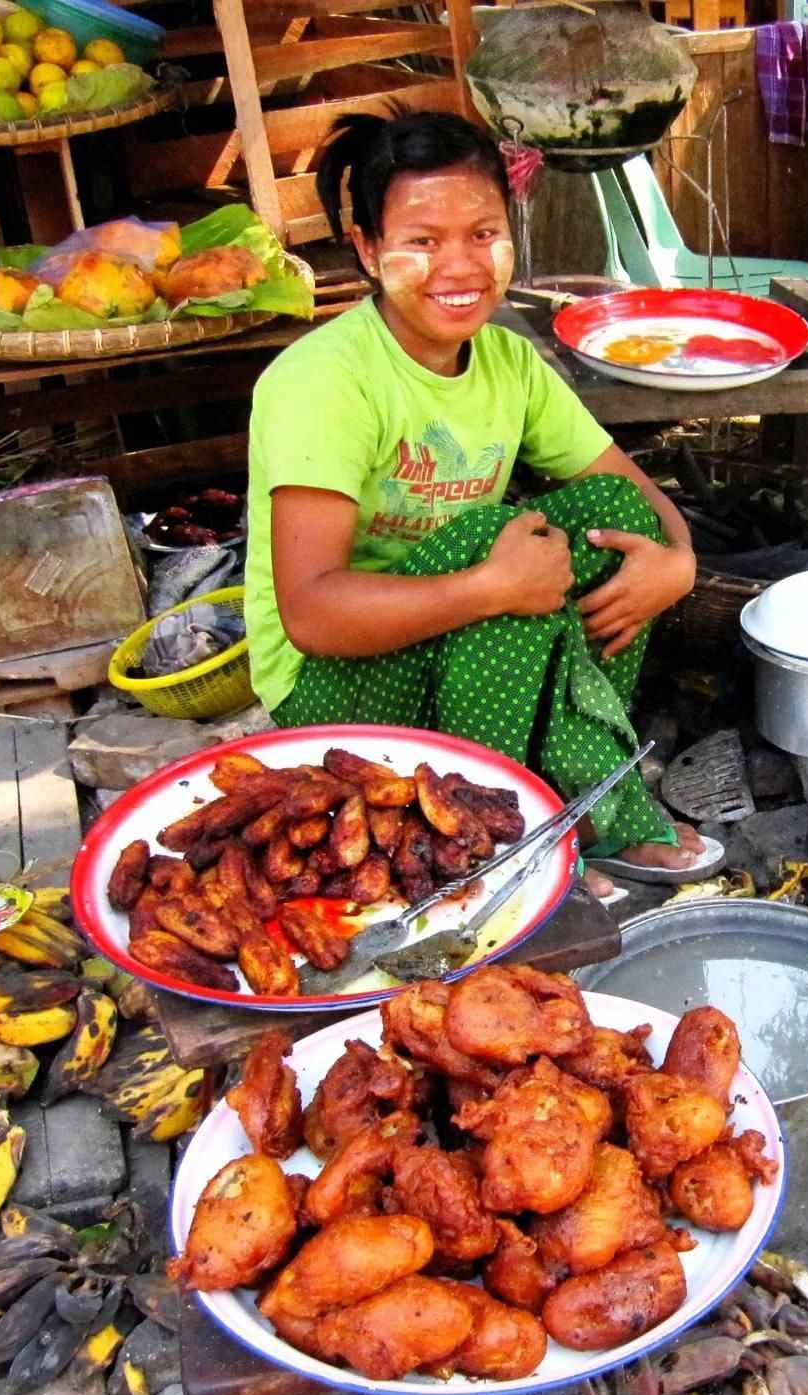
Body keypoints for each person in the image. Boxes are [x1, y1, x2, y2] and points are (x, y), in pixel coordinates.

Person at [244, 109, 721, 890]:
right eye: (422, 241)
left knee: (612, 520)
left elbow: (628, 490)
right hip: (329, 686)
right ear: (367, 250)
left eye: (483, 233)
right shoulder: (321, 382)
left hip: (455, 647)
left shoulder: (508, 362)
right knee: (500, 537)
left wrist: (680, 563)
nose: (459, 266)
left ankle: (574, 804)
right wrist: (490, 585)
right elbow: (311, 614)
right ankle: (502, 839)